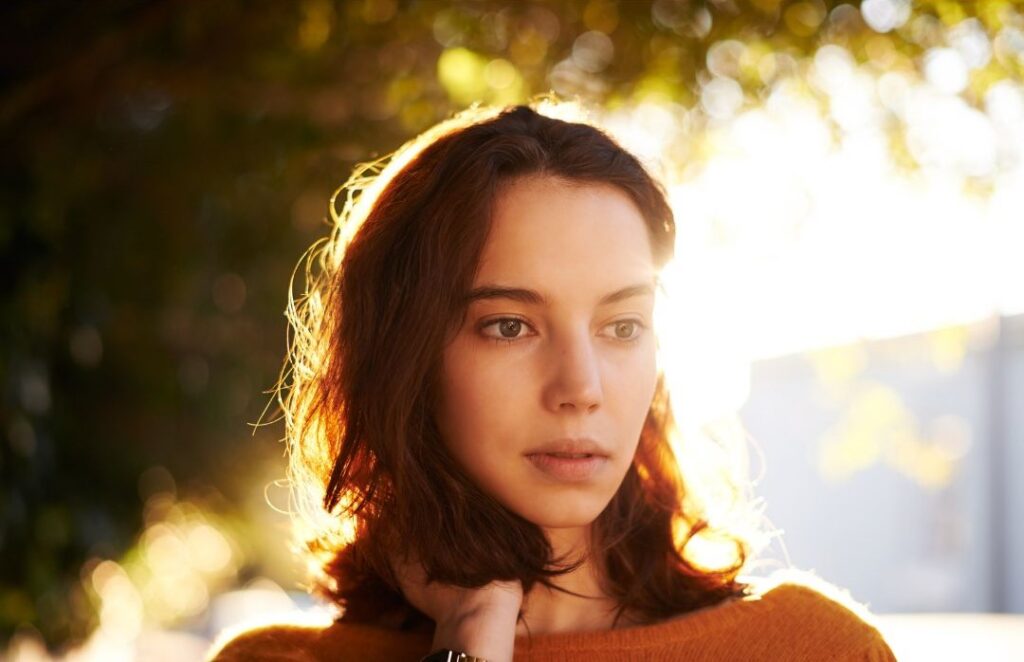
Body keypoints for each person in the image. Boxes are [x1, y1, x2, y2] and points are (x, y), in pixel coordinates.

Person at [207, 100, 896, 661]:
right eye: (510, 326)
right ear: (402, 358)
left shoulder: (814, 650)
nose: (581, 386)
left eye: (622, 326)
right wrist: (471, 638)